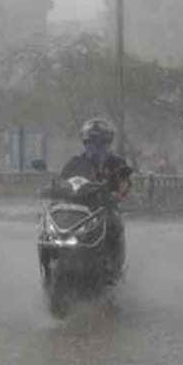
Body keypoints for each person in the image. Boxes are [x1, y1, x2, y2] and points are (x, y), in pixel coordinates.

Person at [60, 118, 132, 279]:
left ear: (108, 142)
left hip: (104, 207)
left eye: (101, 142)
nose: (96, 145)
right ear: (85, 142)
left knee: (114, 223)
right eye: (91, 141)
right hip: (79, 208)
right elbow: (62, 181)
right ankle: (53, 258)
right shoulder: (75, 162)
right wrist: (54, 190)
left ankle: (112, 268)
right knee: (53, 227)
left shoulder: (117, 162)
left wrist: (118, 194)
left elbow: (125, 183)